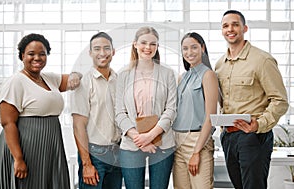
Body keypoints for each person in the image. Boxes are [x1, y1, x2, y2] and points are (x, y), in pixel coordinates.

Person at [0, 33, 82, 189]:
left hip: (50, 145)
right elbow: (7, 123)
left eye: (42, 54)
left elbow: (73, 79)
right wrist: (18, 158)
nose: (37, 58)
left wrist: (77, 74)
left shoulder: (49, 78)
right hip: (25, 147)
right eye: (31, 54)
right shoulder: (16, 81)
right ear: (22, 56)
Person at [215, 10, 289, 189]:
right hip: (228, 137)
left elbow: (280, 100)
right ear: (222, 30)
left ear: (244, 28)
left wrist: (259, 124)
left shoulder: (262, 60)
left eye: (235, 24)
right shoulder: (220, 65)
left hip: (253, 137)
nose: (230, 29)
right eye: (225, 26)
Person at [115, 26, 177, 189]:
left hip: (162, 142)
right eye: (143, 43)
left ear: (157, 47)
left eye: (153, 44)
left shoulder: (167, 73)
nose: (148, 48)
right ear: (135, 44)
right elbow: (120, 113)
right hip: (131, 143)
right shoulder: (123, 74)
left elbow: (171, 110)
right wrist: (140, 139)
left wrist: (150, 136)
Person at [70, 32, 122, 189]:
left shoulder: (118, 80)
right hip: (94, 155)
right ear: (90, 53)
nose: (102, 53)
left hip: (117, 154)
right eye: (97, 49)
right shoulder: (84, 83)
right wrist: (86, 163)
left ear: (113, 52)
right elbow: (78, 126)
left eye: (106, 48)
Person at [172, 32, 218, 189]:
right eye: (185, 48)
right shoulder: (182, 77)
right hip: (177, 141)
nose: (189, 52)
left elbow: (211, 117)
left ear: (202, 48)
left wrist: (196, 152)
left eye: (194, 47)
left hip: (197, 141)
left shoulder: (208, 75)